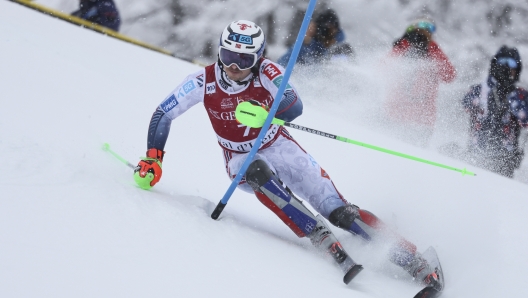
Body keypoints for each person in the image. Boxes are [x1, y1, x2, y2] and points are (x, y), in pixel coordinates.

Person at [133, 20, 441, 288]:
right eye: (228, 56)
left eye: (243, 59)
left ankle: (412, 259)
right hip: (239, 157)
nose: (234, 67)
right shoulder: (204, 81)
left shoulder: (268, 71)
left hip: (280, 145)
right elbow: (164, 112)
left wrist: (265, 113)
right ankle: (318, 234)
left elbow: (294, 105)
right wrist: (153, 156)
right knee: (256, 170)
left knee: (340, 212)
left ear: (258, 57)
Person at [384, 18, 456, 146]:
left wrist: (431, 50)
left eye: (428, 29)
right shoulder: (402, 46)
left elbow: (449, 76)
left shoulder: (434, 50)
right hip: (396, 115)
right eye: (420, 28)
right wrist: (404, 46)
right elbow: (382, 69)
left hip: (422, 120)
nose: (424, 32)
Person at [462, 45, 528, 178]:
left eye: (511, 64)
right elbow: (466, 104)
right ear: (494, 65)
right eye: (502, 62)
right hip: (476, 154)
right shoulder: (480, 89)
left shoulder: (521, 95)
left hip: (505, 162)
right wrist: (492, 86)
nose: (506, 67)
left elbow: (525, 120)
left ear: (517, 69)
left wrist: (511, 96)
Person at [277, 9, 354, 67]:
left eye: (332, 29)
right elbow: (282, 65)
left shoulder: (342, 48)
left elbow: (350, 70)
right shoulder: (309, 47)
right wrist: (304, 43)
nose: (329, 33)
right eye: (326, 29)